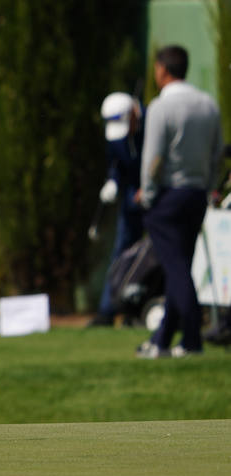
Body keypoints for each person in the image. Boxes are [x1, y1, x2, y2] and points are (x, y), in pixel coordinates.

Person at [134, 45, 223, 359]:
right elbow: (217, 153)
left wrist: (147, 193)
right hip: (198, 194)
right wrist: (209, 187)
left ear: (162, 70)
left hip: (170, 196)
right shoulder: (208, 104)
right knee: (180, 265)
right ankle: (162, 341)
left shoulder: (161, 107)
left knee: (176, 269)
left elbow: (154, 157)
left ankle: (192, 341)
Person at [88, 91, 145, 326]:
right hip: (133, 197)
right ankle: (109, 310)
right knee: (122, 251)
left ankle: (142, 309)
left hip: (157, 195)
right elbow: (116, 162)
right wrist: (113, 180)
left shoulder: (151, 121)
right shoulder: (116, 137)